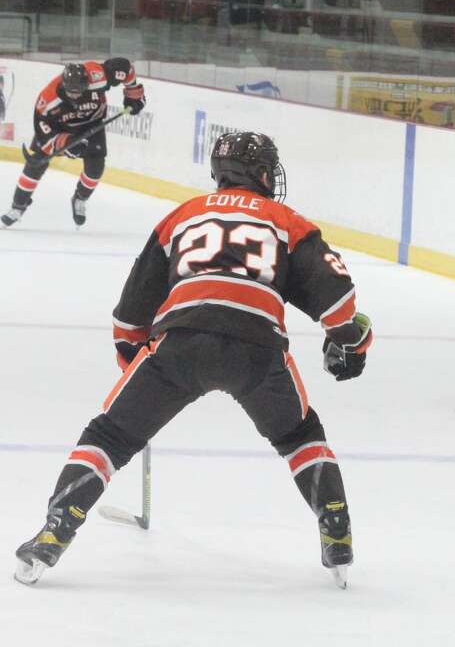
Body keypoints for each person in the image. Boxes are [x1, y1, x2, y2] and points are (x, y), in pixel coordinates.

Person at [13, 132, 374, 589]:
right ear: (263, 174)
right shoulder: (287, 221)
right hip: (257, 348)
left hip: (181, 341)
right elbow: (336, 299)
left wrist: (133, 357)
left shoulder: (181, 216)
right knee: (299, 434)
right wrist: (348, 341)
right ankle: (336, 531)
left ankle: (54, 530)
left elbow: (130, 313)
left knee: (110, 435)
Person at [2, 59, 146, 228]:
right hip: (60, 128)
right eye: (71, 93)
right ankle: (18, 206)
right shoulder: (47, 100)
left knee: (96, 168)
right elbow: (44, 134)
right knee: (36, 163)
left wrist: (134, 94)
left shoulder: (97, 76)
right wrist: (66, 143)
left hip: (92, 123)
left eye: (80, 91)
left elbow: (124, 67)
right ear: (63, 85)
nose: (76, 96)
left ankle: (80, 198)